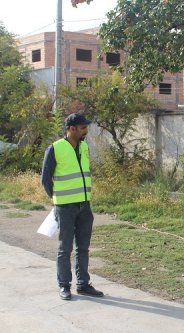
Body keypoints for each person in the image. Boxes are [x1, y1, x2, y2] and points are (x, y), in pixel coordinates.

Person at [41, 113, 103, 300]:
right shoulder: (55, 149)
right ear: (72, 128)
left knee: (83, 248)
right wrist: (58, 199)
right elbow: (45, 179)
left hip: (84, 206)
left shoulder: (84, 147)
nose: (86, 130)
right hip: (65, 207)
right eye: (83, 127)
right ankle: (64, 286)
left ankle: (83, 284)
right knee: (65, 248)